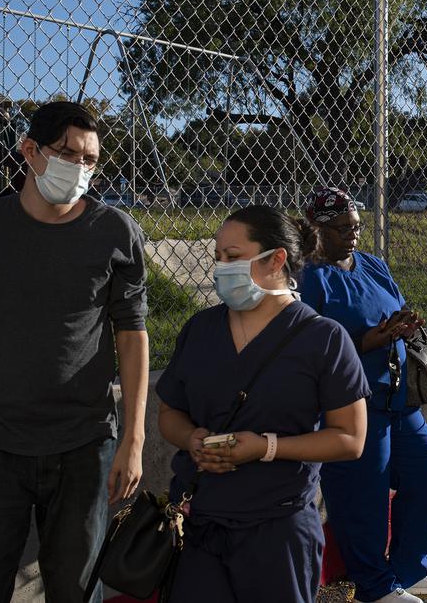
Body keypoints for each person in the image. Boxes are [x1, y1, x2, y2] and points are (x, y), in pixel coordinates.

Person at [0, 101, 149, 602]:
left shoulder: (117, 232)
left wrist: (133, 441)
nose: (80, 169)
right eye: (67, 154)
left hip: (84, 445)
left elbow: (132, 335)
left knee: (76, 590)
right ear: (29, 151)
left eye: (91, 160)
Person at [156, 206, 369, 603]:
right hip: (200, 524)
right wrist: (191, 438)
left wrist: (265, 447)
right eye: (217, 257)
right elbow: (169, 413)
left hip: (277, 529)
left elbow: (350, 438)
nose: (221, 268)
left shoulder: (324, 339)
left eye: (233, 257)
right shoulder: (200, 330)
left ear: (276, 259)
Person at [300, 188, 427, 603]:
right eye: (341, 228)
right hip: (354, 406)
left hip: (399, 400)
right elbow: (308, 347)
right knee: (362, 499)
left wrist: (404, 323)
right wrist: (369, 340)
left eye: (356, 226)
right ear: (317, 228)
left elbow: (394, 304)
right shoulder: (309, 276)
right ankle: (374, 587)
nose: (352, 234)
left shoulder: (372, 265)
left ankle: (407, 570)